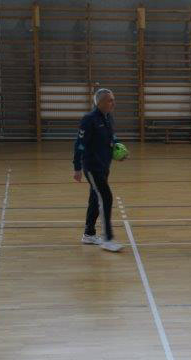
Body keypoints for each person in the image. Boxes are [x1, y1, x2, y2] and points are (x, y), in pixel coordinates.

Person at [72, 88, 123, 253]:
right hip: (92, 167)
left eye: (113, 99)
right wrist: (77, 167)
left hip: (104, 165)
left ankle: (89, 234)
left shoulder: (108, 117)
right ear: (99, 102)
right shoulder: (89, 119)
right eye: (110, 100)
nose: (113, 103)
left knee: (95, 198)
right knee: (106, 197)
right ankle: (107, 239)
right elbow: (79, 144)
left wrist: (118, 147)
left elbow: (112, 137)